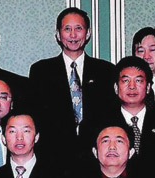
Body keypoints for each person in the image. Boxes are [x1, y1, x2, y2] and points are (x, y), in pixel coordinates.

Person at [28, 7, 115, 153]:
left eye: (78, 28)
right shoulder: (41, 71)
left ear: (88, 33)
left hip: (96, 154)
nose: (73, 35)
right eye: (67, 29)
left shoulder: (106, 71)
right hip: (53, 154)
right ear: (58, 34)